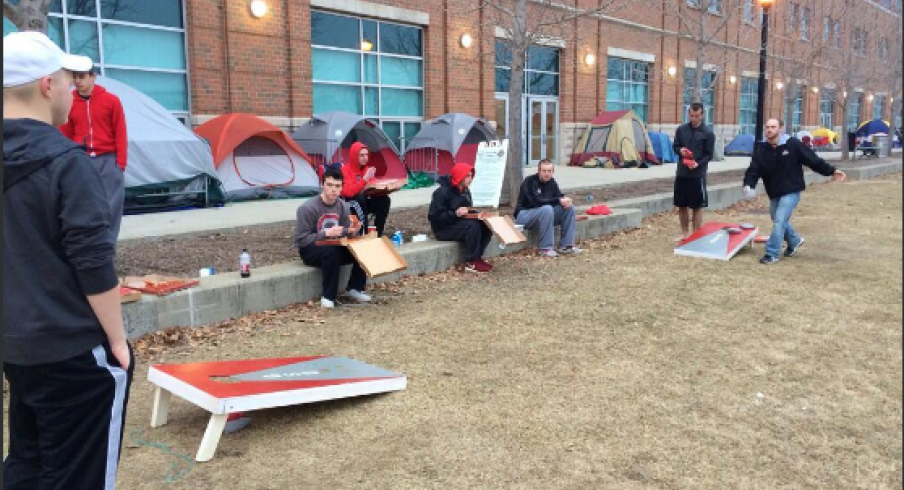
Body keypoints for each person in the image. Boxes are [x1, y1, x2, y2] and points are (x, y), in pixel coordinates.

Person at [3, 31, 134, 489]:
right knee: (78, 473)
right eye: (66, 77)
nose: (72, 86)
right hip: (73, 348)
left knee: (29, 462)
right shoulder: (64, 161)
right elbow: (93, 261)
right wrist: (118, 341)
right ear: (46, 85)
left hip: (17, 347)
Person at [743, 118, 846, 265]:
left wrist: (832, 171)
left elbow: (813, 160)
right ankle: (794, 240)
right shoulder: (762, 149)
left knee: (779, 220)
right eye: (767, 127)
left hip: (791, 190)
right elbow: (753, 169)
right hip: (774, 191)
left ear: (781, 129)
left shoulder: (793, 145)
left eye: (773, 127)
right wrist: (748, 185)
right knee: (777, 218)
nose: (769, 130)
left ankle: (772, 253)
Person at [58, 61, 128, 239]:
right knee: (83, 205)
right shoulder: (69, 101)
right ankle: (89, 245)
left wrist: (120, 163)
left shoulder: (111, 100)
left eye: (81, 77)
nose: (77, 81)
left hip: (108, 159)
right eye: (74, 77)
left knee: (111, 205)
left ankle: (108, 248)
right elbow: (65, 133)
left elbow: (120, 131)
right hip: (82, 159)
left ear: (93, 77)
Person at [295, 167, 369, 308]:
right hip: (311, 249)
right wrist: (326, 234)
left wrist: (353, 231)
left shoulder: (344, 206)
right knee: (331, 251)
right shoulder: (307, 208)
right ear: (322, 185)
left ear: (342, 188)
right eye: (329, 185)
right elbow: (301, 240)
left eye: (337, 186)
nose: (333, 190)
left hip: (335, 245)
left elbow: (344, 233)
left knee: (361, 247)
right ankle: (328, 296)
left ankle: (355, 288)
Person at [429, 163, 494, 273]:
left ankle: (477, 257)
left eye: (471, 176)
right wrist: (455, 213)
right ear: (460, 176)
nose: (471, 179)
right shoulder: (442, 192)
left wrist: (478, 214)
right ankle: (471, 261)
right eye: (467, 176)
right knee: (472, 226)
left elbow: (468, 208)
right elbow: (434, 217)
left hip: (459, 223)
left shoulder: (465, 190)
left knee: (485, 225)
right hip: (443, 229)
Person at [514, 158, 583, 257]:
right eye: (544, 171)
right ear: (539, 171)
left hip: (543, 215)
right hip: (524, 216)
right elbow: (536, 201)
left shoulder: (552, 182)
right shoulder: (529, 181)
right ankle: (545, 248)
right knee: (547, 208)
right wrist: (558, 200)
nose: (547, 174)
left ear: (553, 172)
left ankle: (567, 246)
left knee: (569, 208)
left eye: (549, 171)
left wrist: (565, 200)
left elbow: (559, 197)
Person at [672, 102, 715, 241]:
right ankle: (684, 233)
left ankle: (696, 233)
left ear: (702, 115)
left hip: (697, 174)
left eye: (696, 116)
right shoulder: (681, 129)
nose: (693, 118)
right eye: (691, 115)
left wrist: (698, 164)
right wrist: (680, 150)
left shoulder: (708, 133)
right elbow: (675, 146)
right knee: (681, 204)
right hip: (682, 173)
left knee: (697, 205)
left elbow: (709, 155)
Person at [341, 142, 393, 237]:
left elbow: (371, 188)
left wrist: (382, 189)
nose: (365, 158)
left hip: (365, 201)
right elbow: (348, 192)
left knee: (385, 200)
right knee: (360, 198)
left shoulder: (367, 169)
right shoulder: (345, 170)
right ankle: (363, 233)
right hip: (351, 204)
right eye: (361, 155)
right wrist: (364, 179)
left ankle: (377, 234)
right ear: (354, 156)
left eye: (366, 155)